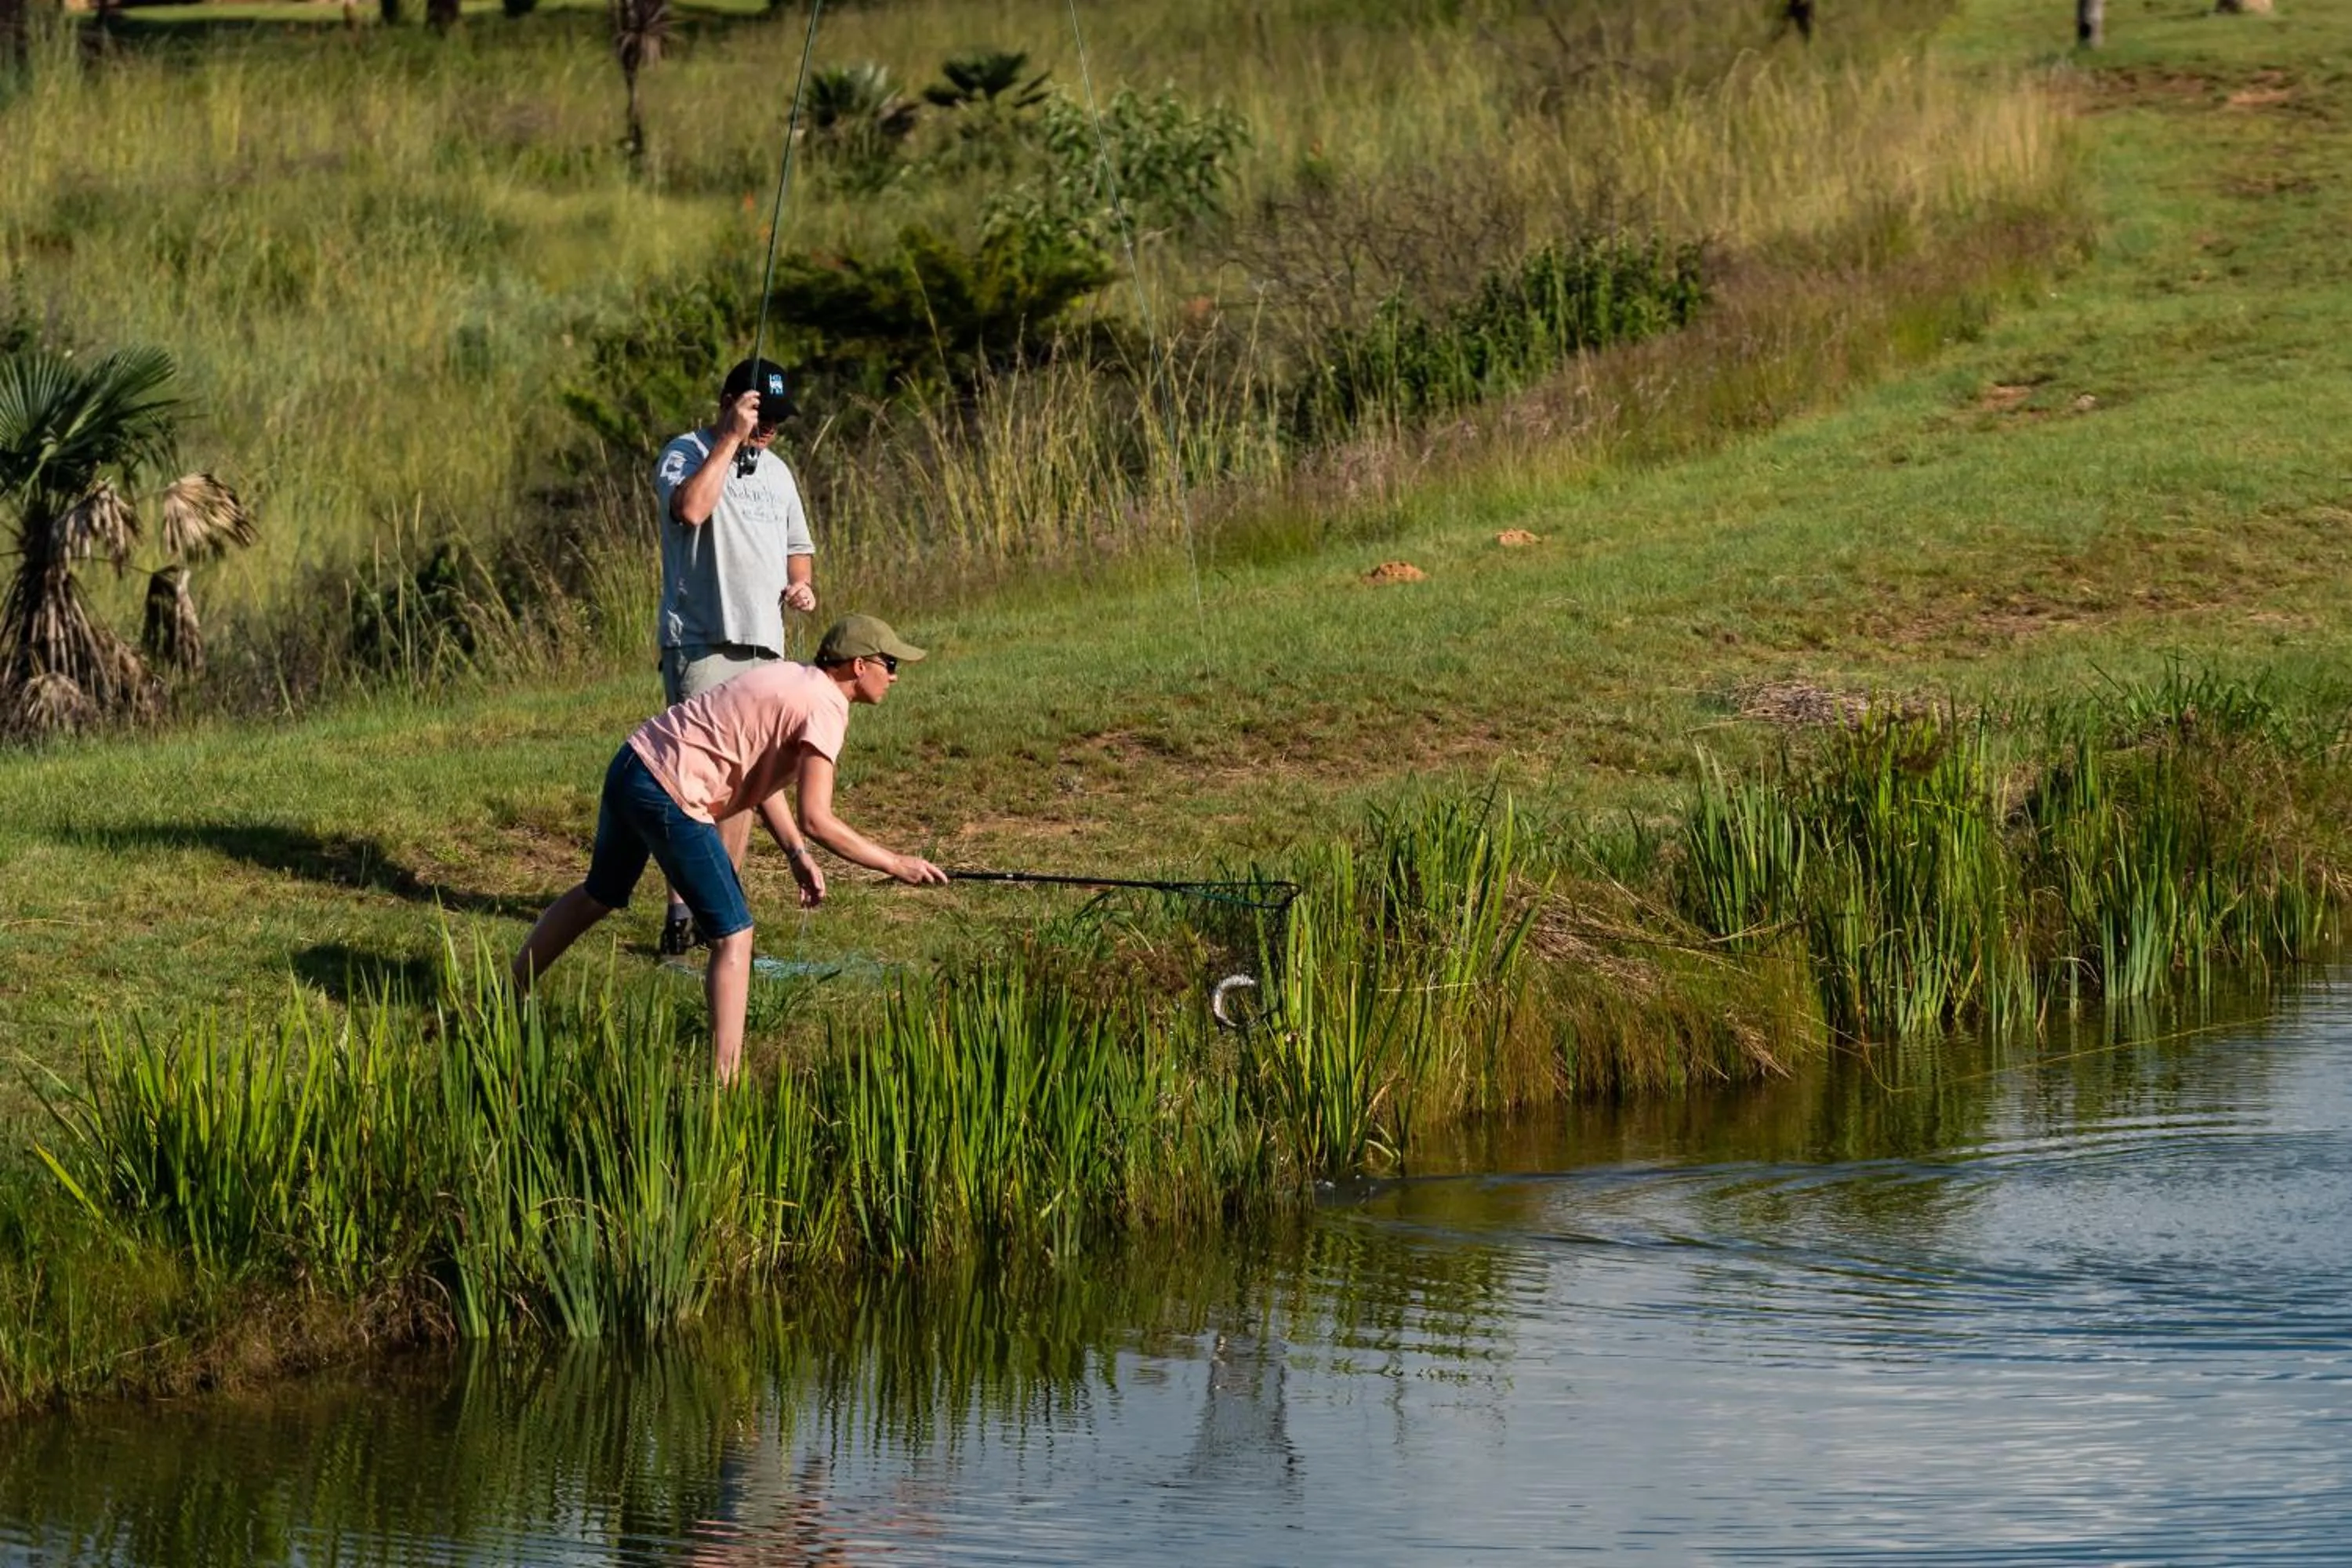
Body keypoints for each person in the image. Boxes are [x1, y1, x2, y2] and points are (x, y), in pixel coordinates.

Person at [511, 615, 949, 1082]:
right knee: (734, 934)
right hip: (671, 790)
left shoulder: (792, 677)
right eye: (890, 663)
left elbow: (757, 772)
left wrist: (795, 854)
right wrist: (896, 863)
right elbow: (818, 818)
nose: (896, 675)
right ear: (859, 666)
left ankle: (509, 994)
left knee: (599, 894)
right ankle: (726, 1083)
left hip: (633, 763)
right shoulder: (825, 706)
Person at [652, 356, 818, 956]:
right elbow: (691, 509)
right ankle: (679, 913)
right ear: (728, 402)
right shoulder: (685, 452)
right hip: (700, 641)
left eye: (778, 419)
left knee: (745, 784)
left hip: (765, 644)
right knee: (693, 784)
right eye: (760, 415)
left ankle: (714, 910)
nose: (769, 429)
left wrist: (800, 586)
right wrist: (728, 439)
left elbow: (797, 553)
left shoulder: (778, 473)